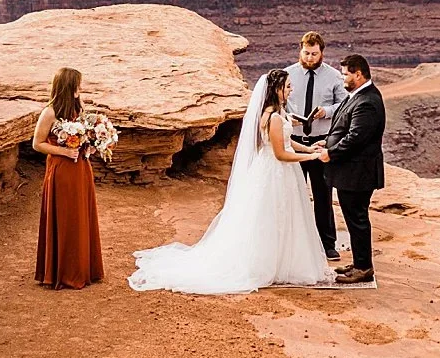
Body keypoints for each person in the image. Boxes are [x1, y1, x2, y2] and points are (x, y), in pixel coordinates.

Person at [129, 69, 336, 294]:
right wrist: (312, 157)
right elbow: (281, 154)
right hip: (275, 172)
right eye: (287, 86)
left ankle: (282, 261)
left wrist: (308, 147)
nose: (290, 89)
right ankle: (267, 264)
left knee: (285, 216)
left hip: (282, 174)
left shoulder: (279, 113)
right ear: (276, 90)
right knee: (271, 217)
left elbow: (288, 142)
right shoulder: (273, 117)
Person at [32, 67, 106, 289]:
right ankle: (62, 272)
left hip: (81, 169)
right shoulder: (50, 113)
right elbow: (37, 144)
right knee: (65, 217)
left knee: (81, 216)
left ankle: (84, 268)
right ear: (68, 86)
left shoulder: (78, 108)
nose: (80, 89)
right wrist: (64, 152)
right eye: (77, 85)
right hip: (61, 171)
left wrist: (92, 145)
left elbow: (84, 135)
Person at [323, 54, 387, 284]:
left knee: (357, 219)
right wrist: (328, 142)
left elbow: (355, 138)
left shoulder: (368, 101)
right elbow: (343, 128)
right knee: (353, 218)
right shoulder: (358, 96)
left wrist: (330, 152)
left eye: (346, 75)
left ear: (358, 74)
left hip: (358, 173)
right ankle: (360, 261)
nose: (343, 79)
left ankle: (363, 267)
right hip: (352, 172)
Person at [284, 32, 347, 262]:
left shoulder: (333, 77)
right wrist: (286, 117)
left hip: (321, 141)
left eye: (314, 54)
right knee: (294, 193)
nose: (309, 58)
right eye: (306, 53)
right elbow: (279, 101)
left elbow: (345, 104)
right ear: (300, 50)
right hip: (295, 141)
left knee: (323, 194)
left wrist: (326, 112)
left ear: (322, 52)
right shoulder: (288, 74)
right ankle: (295, 242)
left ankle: (327, 243)